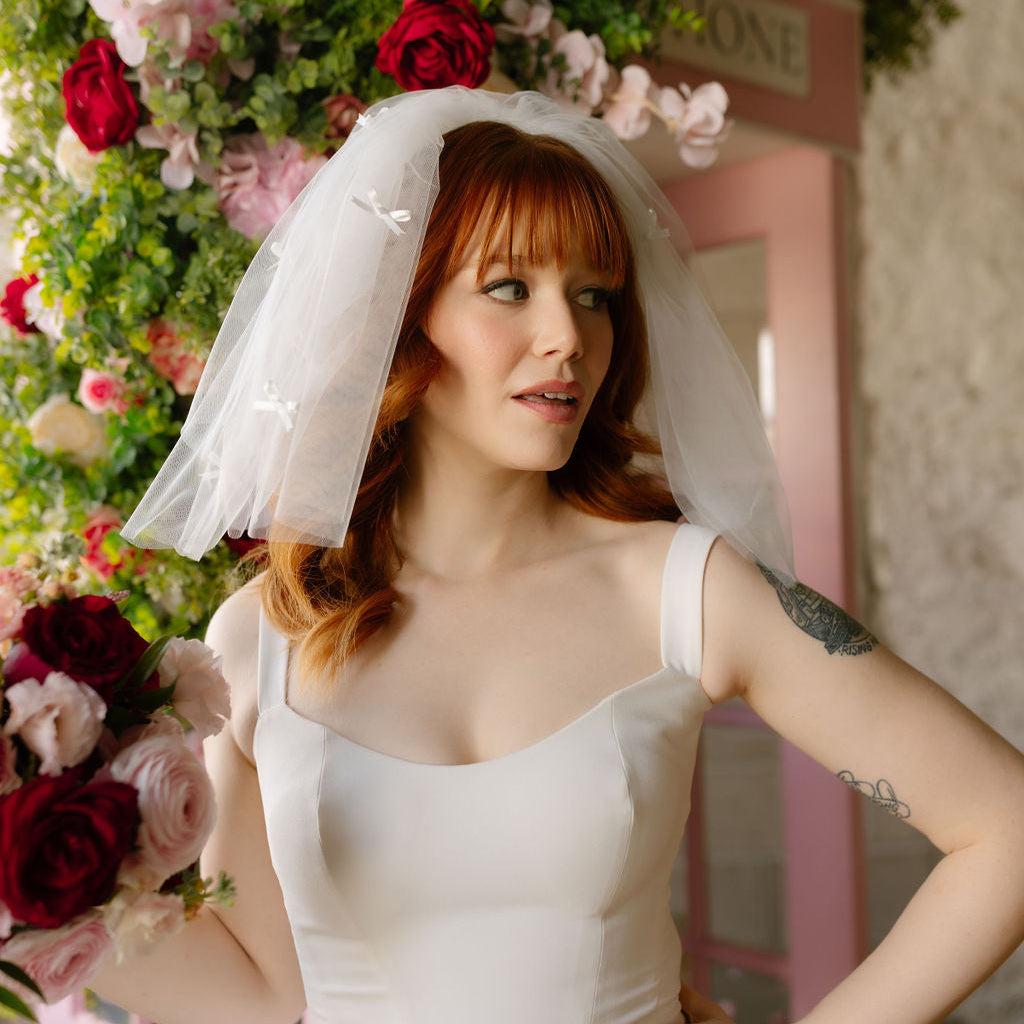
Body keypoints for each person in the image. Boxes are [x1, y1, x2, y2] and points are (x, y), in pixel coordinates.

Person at [100, 87, 1024, 1024]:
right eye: (510, 288)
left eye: (593, 296)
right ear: (401, 317)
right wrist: (41, 902)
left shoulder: (687, 590)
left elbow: (1008, 829)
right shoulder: (263, 635)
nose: (568, 337)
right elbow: (260, 998)